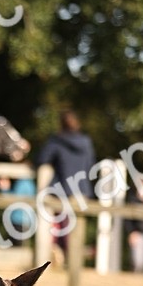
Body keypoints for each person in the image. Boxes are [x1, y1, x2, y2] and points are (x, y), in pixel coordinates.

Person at [36, 110, 96, 260]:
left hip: (60, 190)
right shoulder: (86, 143)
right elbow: (90, 165)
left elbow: (42, 159)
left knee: (57, 225)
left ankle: (57, 253)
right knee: (75, 227)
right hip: (81, 190)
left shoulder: (56, 141)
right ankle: (72, 258)